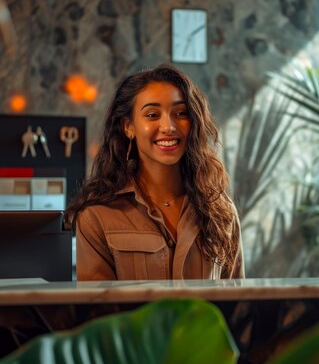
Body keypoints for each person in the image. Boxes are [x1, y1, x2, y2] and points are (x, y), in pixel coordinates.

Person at [66, 64, 244, 280]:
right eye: (152, 115)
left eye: (181, 113)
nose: (169, 126)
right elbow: (99, 310)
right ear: (128, 127)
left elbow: (236, 302)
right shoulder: (97, 217)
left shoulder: (220, 211)